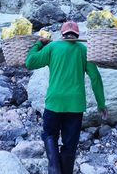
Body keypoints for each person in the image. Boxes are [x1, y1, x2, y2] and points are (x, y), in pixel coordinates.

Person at [25, 21, 107, 174]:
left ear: (62, 34)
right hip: (75, 105)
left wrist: (38, 44)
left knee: (50, 135)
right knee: (70, 144)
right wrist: (101, 104)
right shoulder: (84, 50)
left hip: (54, 102)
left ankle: (54, 169)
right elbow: (95, 77)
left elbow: (29, 62)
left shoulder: (52, 47)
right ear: (77, 35)